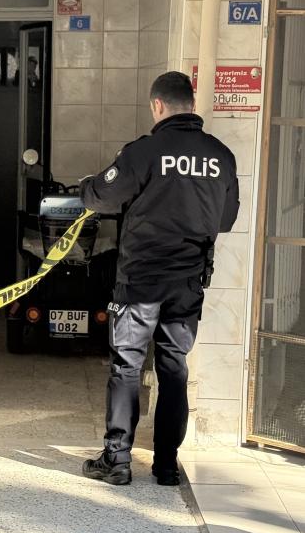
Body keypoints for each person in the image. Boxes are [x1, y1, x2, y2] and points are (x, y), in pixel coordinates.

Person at [80, 71, 240, 486]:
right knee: (173, 368)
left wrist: (86, 188)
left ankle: (117, 460)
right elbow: (225, 219)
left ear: (157, 105)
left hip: (140, 281)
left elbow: (100, 196)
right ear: (192, 103)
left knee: (127, 366)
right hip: (188, 282)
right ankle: (166, 465)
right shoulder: (220, 156)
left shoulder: (145, 152)